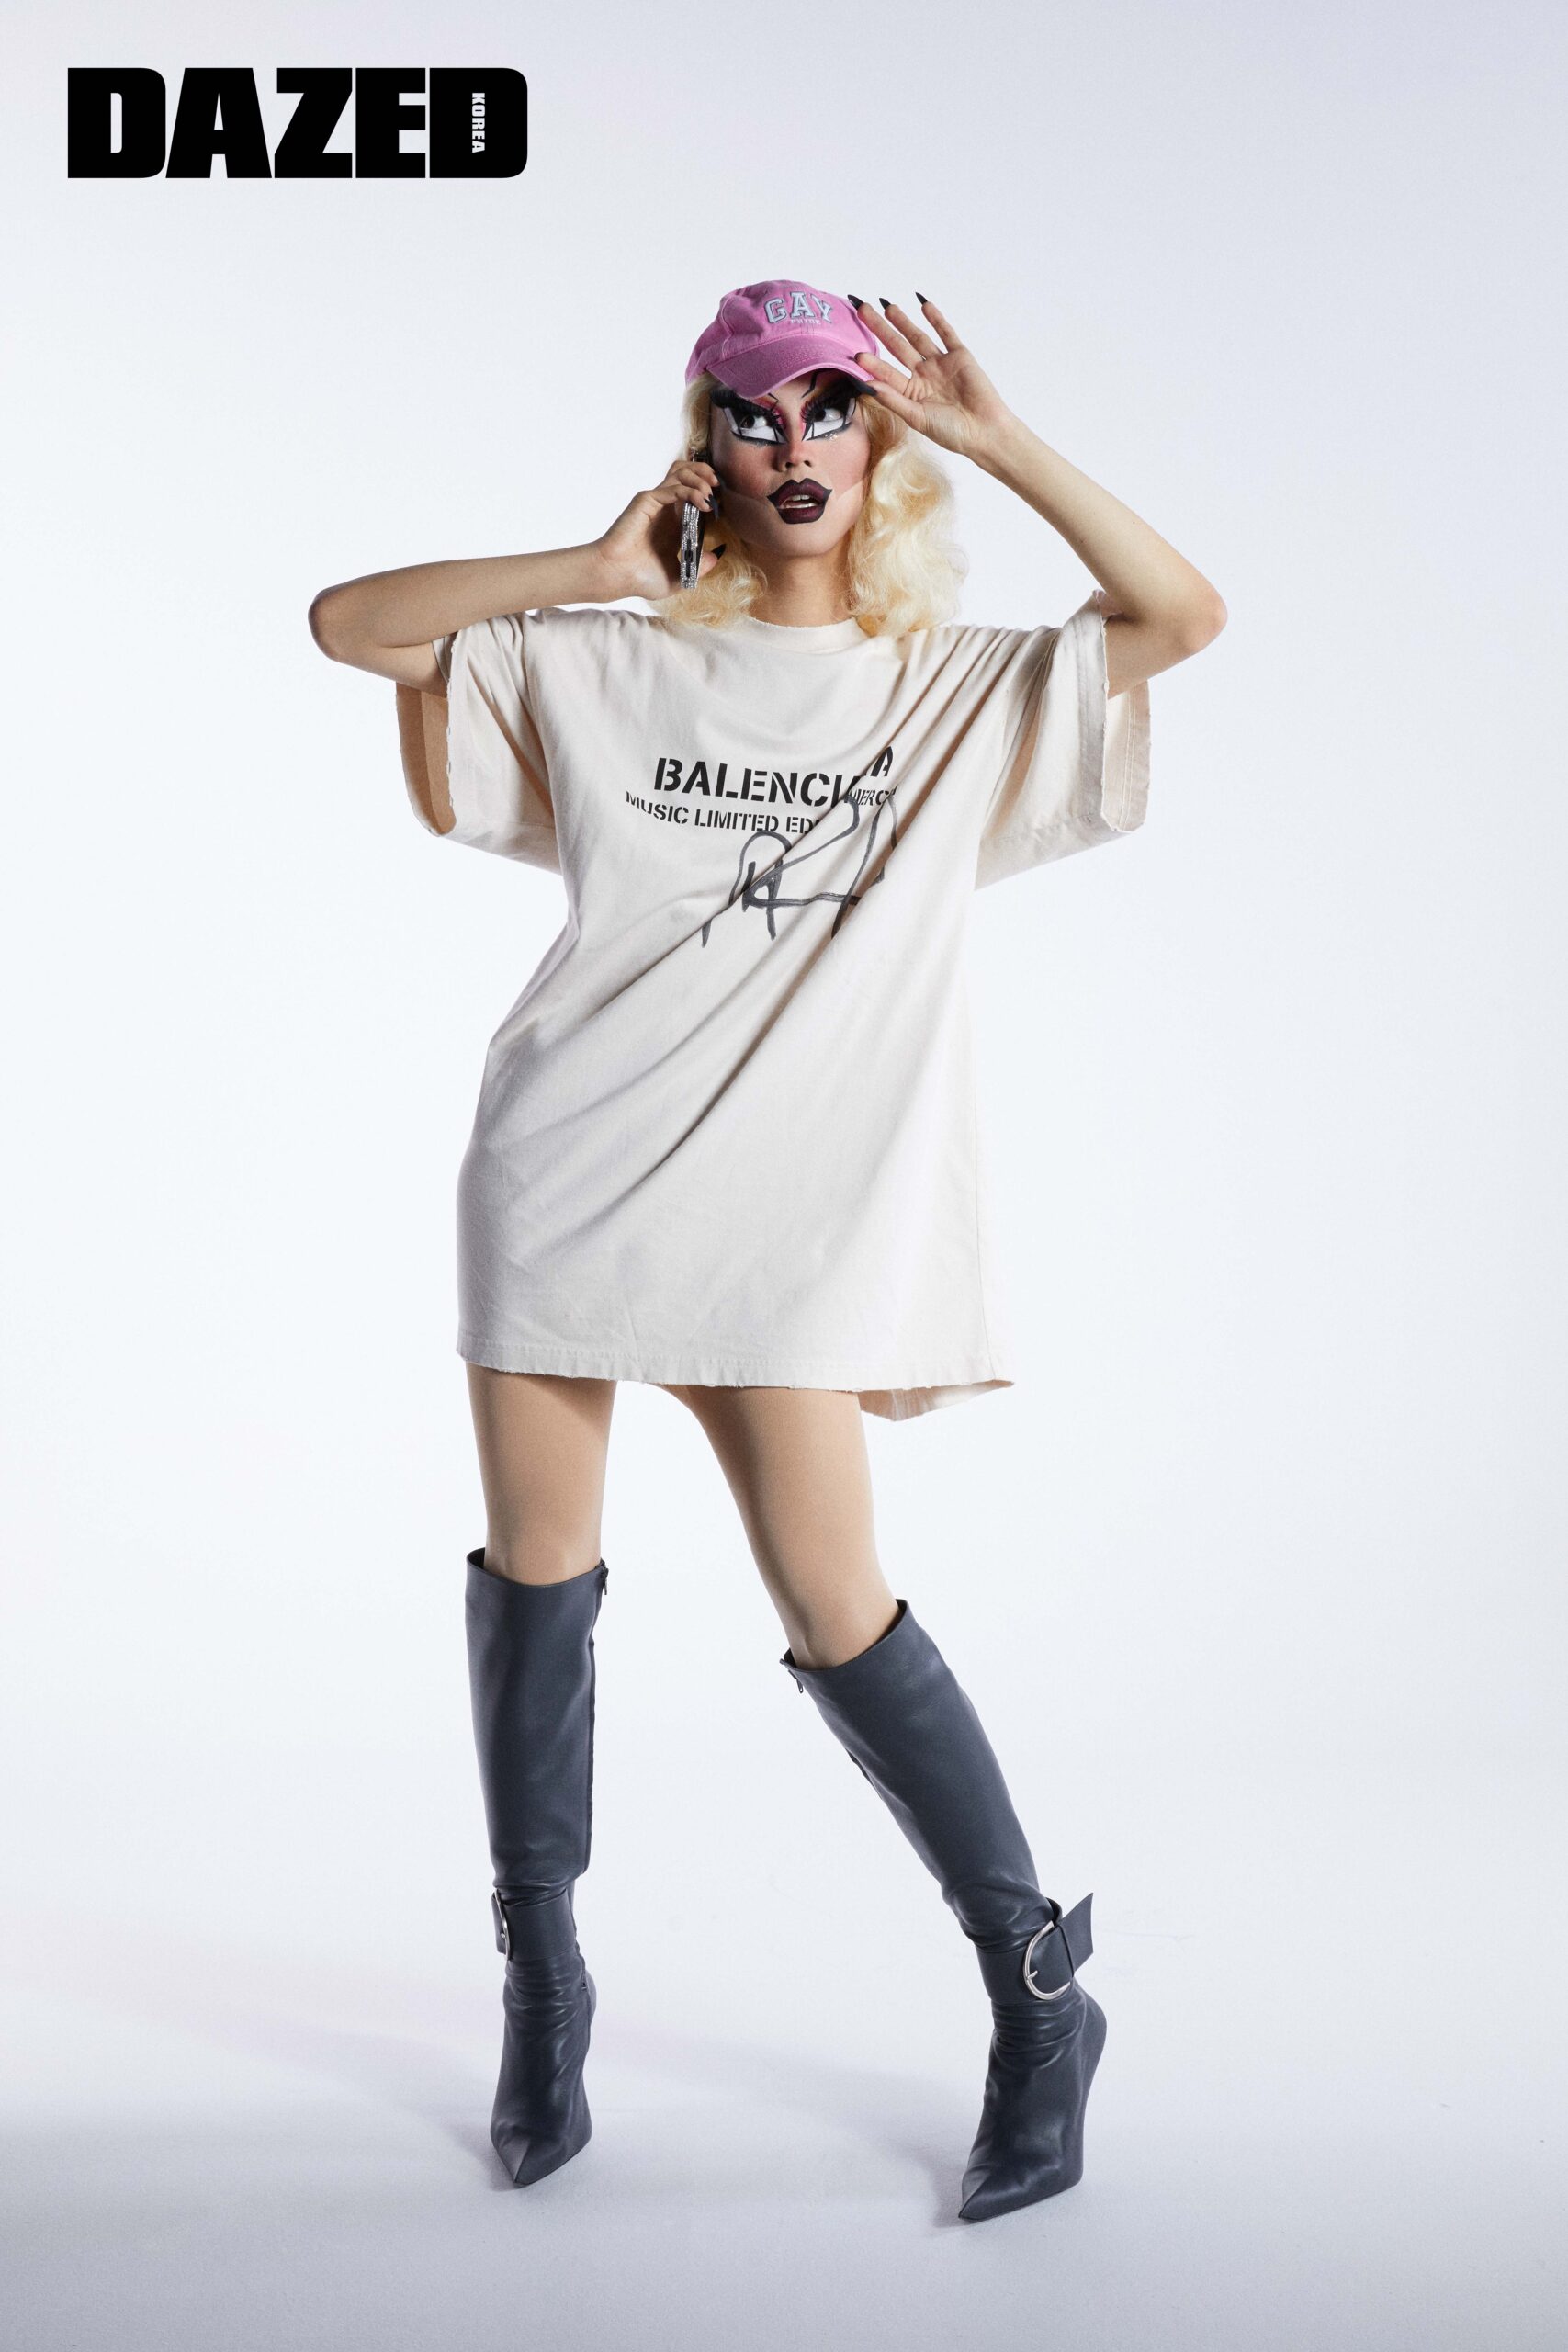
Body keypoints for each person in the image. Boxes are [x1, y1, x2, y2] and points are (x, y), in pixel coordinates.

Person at [309, 278, 1225, 2222]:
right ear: (706, 450)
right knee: (538, 1581)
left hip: (787, 1213)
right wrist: (591, 568)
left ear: (879, 447)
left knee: (836, 1601)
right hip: (568, 1167)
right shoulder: (605, 662)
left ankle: (1037, 1993)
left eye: (832, 411)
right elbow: (351, 625)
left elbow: (1178, 615)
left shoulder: (951, 688)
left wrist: (993, 434)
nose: (793, 445)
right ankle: (542, 1988)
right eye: (753, 415)